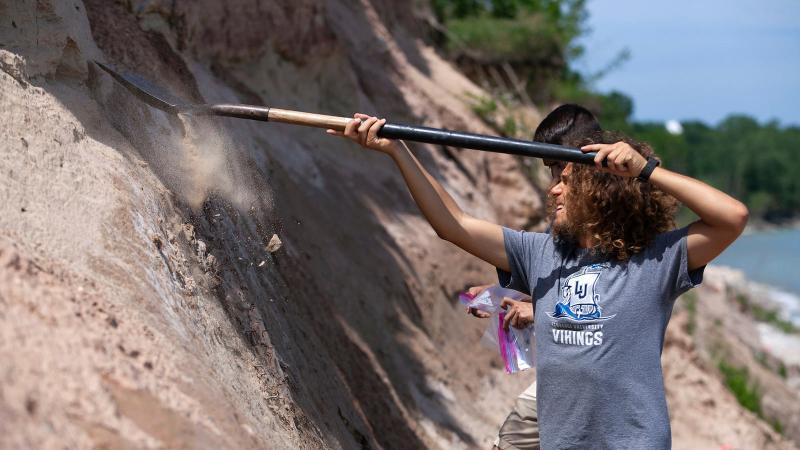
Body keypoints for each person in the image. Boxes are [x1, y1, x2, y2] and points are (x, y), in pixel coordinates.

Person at [327, 104, 748, 449]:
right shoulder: (539, 254)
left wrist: (646, 169)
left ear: (602, 188)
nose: (553, 191)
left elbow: (732, 217)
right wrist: (398, 151)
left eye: (565, 180)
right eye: (552, 179)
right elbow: (452, 224)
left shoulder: (656, 260)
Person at [465, 104, 603, 450]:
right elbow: (558, 279)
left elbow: (600, 301)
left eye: (560, 170)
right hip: (558, 376)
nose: (554, 185)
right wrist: (501, 295)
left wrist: (537, 313)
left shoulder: (614, 220)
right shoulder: (563, 220)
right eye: (552, 173)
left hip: (596, 383)